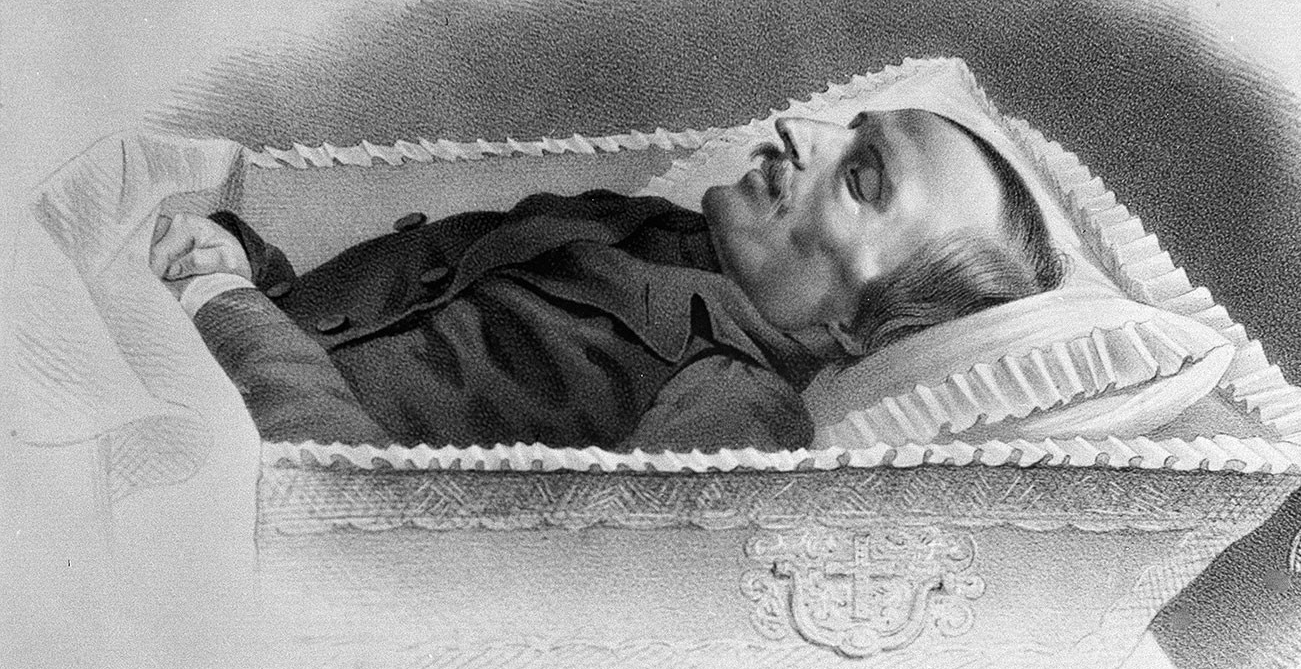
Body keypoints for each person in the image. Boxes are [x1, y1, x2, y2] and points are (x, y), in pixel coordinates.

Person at [150, 109, 1064, 452]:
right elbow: (381, 327)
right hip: (188, 340)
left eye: (861, 177)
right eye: (850, 127)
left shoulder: (733, 410)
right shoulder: (653, 228)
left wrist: (223, 308)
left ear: (857, 332)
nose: (802, 131)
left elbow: (359, 508)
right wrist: (248, 267)